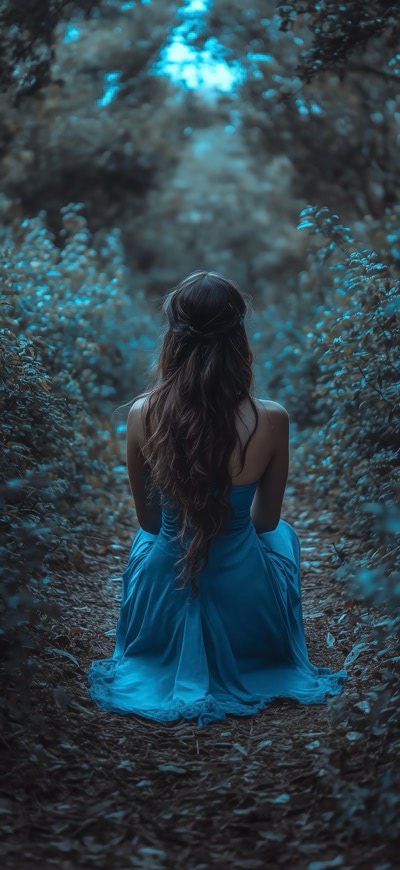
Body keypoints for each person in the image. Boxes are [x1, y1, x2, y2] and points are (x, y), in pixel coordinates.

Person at [87, 270, 347, 726]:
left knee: (147, 543)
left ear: (173, 336)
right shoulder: (272, 419)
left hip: (163, 594)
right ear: (238, 336)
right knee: (283, 536)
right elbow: (265, 522)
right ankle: (263, 647)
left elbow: (149, 523)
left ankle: (154, 650)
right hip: (245, 598)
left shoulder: (142, 414)